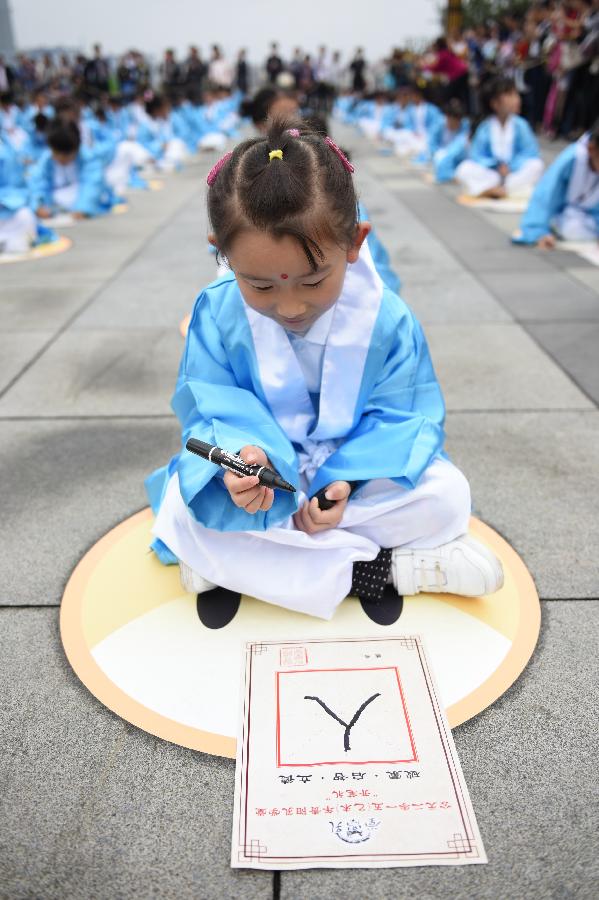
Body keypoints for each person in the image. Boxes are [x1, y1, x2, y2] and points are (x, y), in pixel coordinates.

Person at [146, 119, 504, 629]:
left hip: (350, 473)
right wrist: (243, 463)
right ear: (221, 252)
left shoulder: (386, 317)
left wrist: (347, 485)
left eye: (313, 280)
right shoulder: (217, 312)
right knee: (187, 505)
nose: (290, 306)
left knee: (448, 496)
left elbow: (404, 415)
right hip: (266, 483)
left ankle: (250, 568)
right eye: (261, 286)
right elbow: (209, 407)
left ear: (355, 241)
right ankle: (390, 569)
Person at [455, 76, 544, 198]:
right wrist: (495, 165)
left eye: (516, 94)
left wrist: (511, 166)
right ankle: (500, 189)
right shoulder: (485, 127)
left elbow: (530, 153)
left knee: (536, 165)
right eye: (510, 95)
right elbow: (476, 155)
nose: (517, 99)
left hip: (513, 174)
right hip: (492, 173)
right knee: (464, 168)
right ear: (495, 103)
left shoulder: (521, 125)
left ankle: (495, 189)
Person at [514, 125, 599, 247]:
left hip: (591, 218)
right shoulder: (571, 158)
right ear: (592, 149)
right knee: (572, 229)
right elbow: (545, 195)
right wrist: (538, 232)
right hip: (564, 214)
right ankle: (544, 227)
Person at [28, 120, 111, 219]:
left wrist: (83, 208)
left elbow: (92, 185)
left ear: (77, 149)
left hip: (79, 198)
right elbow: (37, 183)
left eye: (66, 156)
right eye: (57, 154)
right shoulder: (46, 160)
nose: (61, 159)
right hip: (53, 202)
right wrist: (38, 205)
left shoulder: (88, 158)